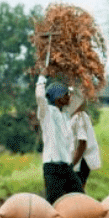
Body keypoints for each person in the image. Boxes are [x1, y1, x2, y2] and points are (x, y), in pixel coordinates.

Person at [36, 74, 84, 203]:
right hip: (52, 166)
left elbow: (79, 99)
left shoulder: (65, 115)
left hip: (66, 166)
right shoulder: (46, 112)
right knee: (54, 203)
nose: (69, 97)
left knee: (81, 197)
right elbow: (40, 97)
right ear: (57, 97)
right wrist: (42, 77)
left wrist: (72, 80)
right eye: (66, 94)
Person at [67, 91, 101, 190]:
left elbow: (82, 144)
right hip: (79, 160)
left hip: (81, 161)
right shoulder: (75, 117)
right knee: (76, 190)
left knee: (76, 191)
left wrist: (72, 164)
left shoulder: (79, 117)